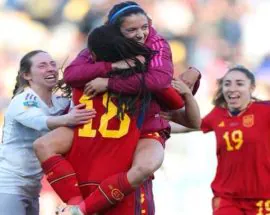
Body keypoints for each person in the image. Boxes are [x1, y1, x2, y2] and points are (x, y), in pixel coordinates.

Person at [34, 2, 200, 215]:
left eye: (144, 27)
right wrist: (113, 67)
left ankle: (79, 209)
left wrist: (186, 92)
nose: (141, 34)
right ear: (115, 33)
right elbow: (71, 75)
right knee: (43, 145)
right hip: (95, 127)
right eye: (132, 30)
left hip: (137, 129)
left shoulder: (154, 49)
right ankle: (76, 205)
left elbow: (173, 98)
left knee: (143, 167)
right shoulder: (100, 53)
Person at [0, 50, 96, 215]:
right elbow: (39, 121)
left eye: (53, 64)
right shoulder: (23, 99)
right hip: (9, 184)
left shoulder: (60, 103)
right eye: (42, 66)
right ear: (27, 75)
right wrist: (68, 119)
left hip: (33, 187)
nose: (51, 68)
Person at [167, 65, 270, 215]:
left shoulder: (265, 111)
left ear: (251, 87)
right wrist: (154, 127)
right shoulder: (218, 114)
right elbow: (190, 126)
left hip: (262, 199)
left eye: (239, 84)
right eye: (227, 84)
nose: (232, 88)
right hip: (227, 198)